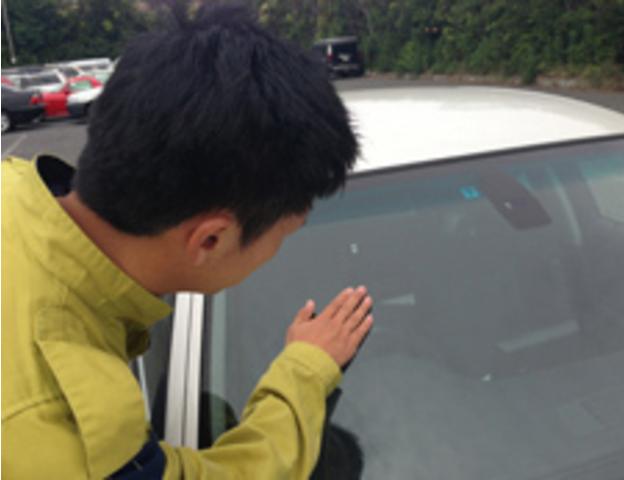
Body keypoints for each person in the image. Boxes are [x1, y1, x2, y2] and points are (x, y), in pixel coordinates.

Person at [1, 5, 373, 479]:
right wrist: (306, 369)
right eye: (286, 234)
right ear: (211, 239)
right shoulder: (73, 440)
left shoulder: (12, 186)